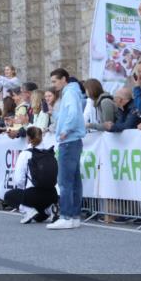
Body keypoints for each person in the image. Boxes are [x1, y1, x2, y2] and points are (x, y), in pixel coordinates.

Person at [47, 68, 84, 230]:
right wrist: (54, 114)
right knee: (74, 180)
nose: (53, 85)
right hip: (72, 140)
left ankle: (66, 215)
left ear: (64, 79)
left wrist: (64, 131)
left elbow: (73, 114)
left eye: (55, 81)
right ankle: (74, 216)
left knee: (65, 181)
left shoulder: (69, 93)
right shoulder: (72, 93)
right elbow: (69, 114)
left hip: (68, 140)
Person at [4, 127, 59, 224]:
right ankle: (50, 209)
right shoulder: (50, 152)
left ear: (28, 138)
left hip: (34, 194)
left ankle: (29, 211)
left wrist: (24, 193)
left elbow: (18, 180)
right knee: (39, 218)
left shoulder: (26, 153)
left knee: (9, 196)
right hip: (52, 194)